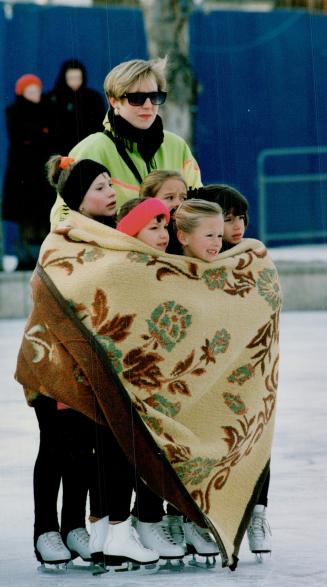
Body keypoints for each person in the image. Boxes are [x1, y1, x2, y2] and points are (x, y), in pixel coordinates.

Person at [33, 155, 158, 569]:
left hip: (95, 363)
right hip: (53, 358)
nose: (110, 193)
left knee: (85, 451)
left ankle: (73, 527)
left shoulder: (111, 236)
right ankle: (44, 530)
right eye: (100, 188)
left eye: (110, 185)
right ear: (78, 198)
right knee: (56, 446)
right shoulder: (63, 236)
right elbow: (52, 292)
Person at [116, 198, 222, 563]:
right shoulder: (131, 268)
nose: (218, 242)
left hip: (192, 377)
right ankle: (147, 518)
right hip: (147, 377)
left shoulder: (192, 268)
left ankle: (192, 518)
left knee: (190, 449)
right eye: (154, 227)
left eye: (164, 227)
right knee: (152, 449)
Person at [188, 184, 272, 557]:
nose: (236, 226)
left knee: (254, 437)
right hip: (204, 373)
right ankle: (198, 519)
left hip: (246, 369)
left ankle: (257, 512)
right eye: (227, 218)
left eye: (240, 218)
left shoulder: (252, 256)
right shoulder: (189, 263)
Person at [50, 56, 201, 227]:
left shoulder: (177, 146)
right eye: (136, 98)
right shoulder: (92, 149)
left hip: (171, 252)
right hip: (111, 252)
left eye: (155, 96)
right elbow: (62, 218)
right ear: (114, 101)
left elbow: (198, 208)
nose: (148, 105)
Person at [1, 74, 55, 269]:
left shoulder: (47, 109)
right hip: (22, 174)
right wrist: (41, 134)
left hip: (42, 173)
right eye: (31, 91)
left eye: (37, 90)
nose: (35, 94)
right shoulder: (14, 111)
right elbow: (22, 136)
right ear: (22, 93)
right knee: (26, 217)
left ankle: (44, 257)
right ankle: (27, 257)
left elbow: (47, 136)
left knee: (44, 216)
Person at [48, 59, 106, 155]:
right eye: (71, 79)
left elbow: (100, 125)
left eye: (78, 78)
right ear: (64, 78)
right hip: (60, 153)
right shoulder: (53, 98)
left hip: (88, 150)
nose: (75, 82)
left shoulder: (93, 98)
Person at [139, 169, 187, 253]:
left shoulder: (189, 230)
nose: (178, 203)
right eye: (170, 197)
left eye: (183, 198)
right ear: (148, 199)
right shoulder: (140, 233)